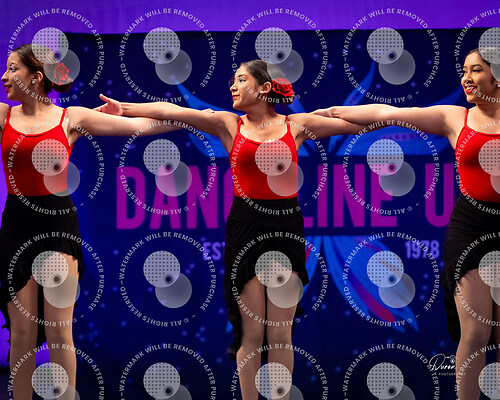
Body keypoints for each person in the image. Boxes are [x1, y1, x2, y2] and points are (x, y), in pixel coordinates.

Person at [97, 59, 366, 400]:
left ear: (264, 88)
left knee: (280, 334)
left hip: (285, 228)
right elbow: (174, 111)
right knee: (251, 334)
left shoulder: (296, 125)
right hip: (245, 228)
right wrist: (125, 108)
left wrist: (388, 115)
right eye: (233, 80)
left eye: (240, 80)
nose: (233, 87)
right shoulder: (228, 124)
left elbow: (354, 124)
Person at [313, 48, 500, 400]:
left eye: (476, 70)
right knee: (476, 334)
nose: (466, 78)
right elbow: (390, 114)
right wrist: (333, 113)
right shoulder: (455, 117)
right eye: (464, 70)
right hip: (472, 229)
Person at [0, 44, 183, 399]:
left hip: (57, 226)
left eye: (12, 69)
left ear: (35, 77)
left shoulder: (71, 117)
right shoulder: (4, 116)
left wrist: (192, 119)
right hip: (16, 225)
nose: (4, 77)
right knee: (22, 334)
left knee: (59, 331)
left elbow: (139, 127)